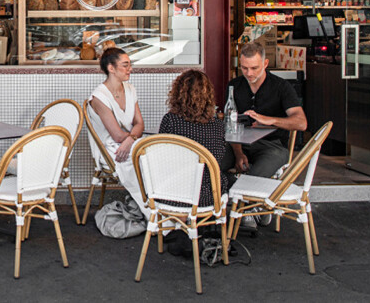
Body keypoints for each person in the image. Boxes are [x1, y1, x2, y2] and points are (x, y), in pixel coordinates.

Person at [159, 69, 229, 256]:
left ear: (177, 93)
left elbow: (162, 159)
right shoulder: (216, 126)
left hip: (173, 194)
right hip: (207, 196)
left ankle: (180, 228)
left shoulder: (170, 121)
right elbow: (220, 157)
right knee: (225, 178)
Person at [224, 41, 307, 179]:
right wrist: (238, 153)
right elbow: (230, 124)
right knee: (212, 164)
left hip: (272, 145)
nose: (249, 73)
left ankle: (246, 197)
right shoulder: (234, 86)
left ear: (265, 64)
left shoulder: (281, 87)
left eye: (254, 68)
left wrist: (270, 120)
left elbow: (301, 123)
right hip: (239, 144)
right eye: (244, 68)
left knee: (256, 177)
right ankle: (229, 196)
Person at [87, 47, 147, 215]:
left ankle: (161, 207)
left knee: (153, 154)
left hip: (129, 143)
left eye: (130, 65)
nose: (130, 69)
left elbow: (139, 123)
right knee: (145, 158)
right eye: (125, 65)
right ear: (111, 68)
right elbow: (117, 135)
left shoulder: (130, 89)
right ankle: (152, 211)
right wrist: (130, 138)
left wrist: (131, 139)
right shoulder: (99, 97)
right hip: (111, 149)